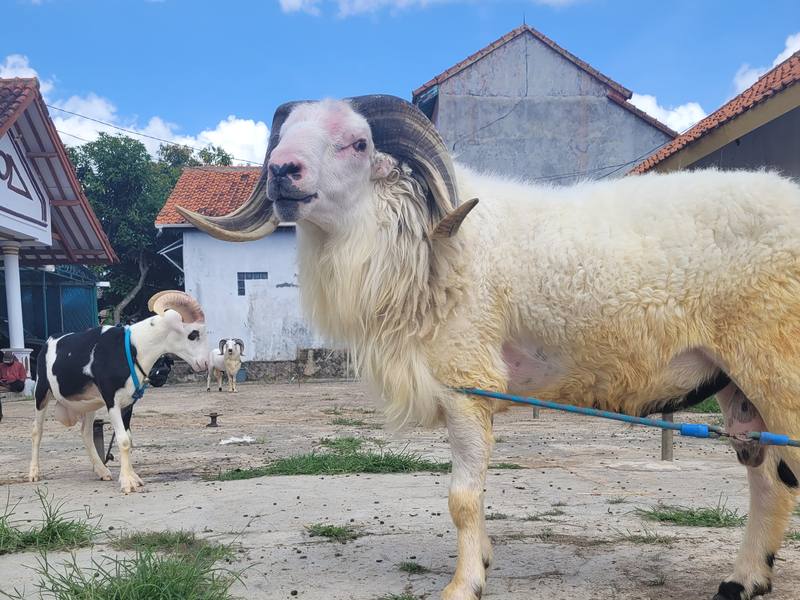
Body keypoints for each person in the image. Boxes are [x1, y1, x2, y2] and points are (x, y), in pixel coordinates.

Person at [0, 351, 27, 423]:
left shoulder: (19, 365)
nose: (7, 363)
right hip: (4, 383)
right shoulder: (1, 366)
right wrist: (3, 381)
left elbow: (23, 378)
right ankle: (7, 388)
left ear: (12, 359)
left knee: (20, 385)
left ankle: (6, 388)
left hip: (15, 383)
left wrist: (12, 381)